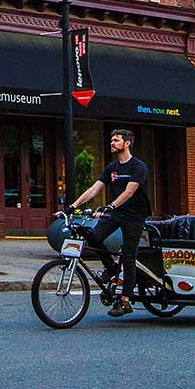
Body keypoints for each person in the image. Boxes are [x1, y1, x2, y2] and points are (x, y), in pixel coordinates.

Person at [65, 128, 152, 317]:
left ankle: (125, 301)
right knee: (94, 236)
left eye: (116, 140)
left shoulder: (138, 167)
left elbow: (129, 192)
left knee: (129, 257)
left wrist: (110, 206)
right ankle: (112, 269)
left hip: (135, 216)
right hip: (116, 213)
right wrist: (72, 206)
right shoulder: (112, 168)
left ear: (127, 143)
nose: (112, 143)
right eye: (111, 140)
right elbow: (94, 189)